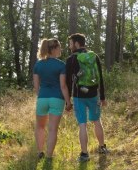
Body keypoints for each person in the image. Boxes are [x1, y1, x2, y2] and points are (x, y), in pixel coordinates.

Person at [65, 33, 108, 162]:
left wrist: (67, 102)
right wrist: (103, 97)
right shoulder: (94, 56)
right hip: (94, 95)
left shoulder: (71, 59)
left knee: (82, 125)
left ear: (77, 43)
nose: (69, 46)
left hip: (78, 96)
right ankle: (102, 147)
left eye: (71, 43)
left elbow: (68, 82)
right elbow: (100, 77)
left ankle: (84, 154)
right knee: (97, 121)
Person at [33, 38, 72, 160]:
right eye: (59, 47)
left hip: (42, 98)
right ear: (54, 48)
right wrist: (68, 102)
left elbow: (36, 86)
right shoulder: (61, 65)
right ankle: (49, 157)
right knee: (53, 129)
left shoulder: (38, 64)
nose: (61, 49)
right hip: (57, 99)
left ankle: (40, 152)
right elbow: (63, 86)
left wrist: (42, 95)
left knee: (40, 127)